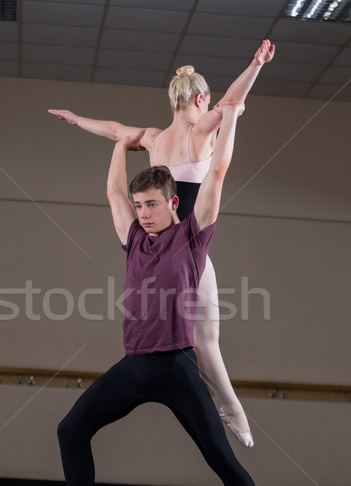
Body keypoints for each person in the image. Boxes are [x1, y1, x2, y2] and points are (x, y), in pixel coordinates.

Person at [33, 103, 301, 486]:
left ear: (174, 203)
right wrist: (119, 145)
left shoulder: (194, 240)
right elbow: (113, 193)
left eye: (152, 204)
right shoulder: (133, 239)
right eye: (140, 206)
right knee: (70, 430)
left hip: (177, 368)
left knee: (221, 458)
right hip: (134, 368)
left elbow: (218, 172)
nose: (143, 213)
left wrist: (231, 115)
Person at [48, 40, 275, 448]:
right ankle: (233, 411)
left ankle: (227, 409)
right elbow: (232, 103)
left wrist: (76, 119)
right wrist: (256, 65)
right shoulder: (199, 131)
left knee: (184, 335)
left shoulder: (153, 139)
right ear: (200, 99)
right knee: (206, 342)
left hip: (156, 257)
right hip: (191, 256)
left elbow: (115, 131)